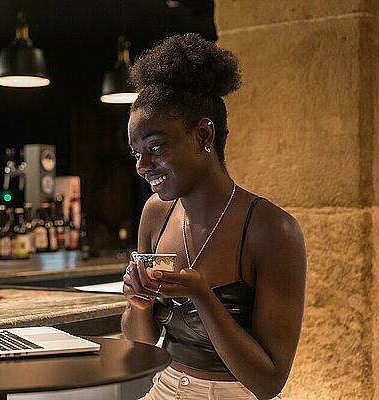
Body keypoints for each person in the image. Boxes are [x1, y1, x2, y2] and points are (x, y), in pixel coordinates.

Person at [122, 33, 307, 400]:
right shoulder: (155, 214)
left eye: (155, 147)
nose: (143, 166)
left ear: (203, 135)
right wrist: (137, 303)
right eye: (136, 153)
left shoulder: (272, 230)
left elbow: (269, 382)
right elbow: (141, 343)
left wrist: (203, 297)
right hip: (165, 388)